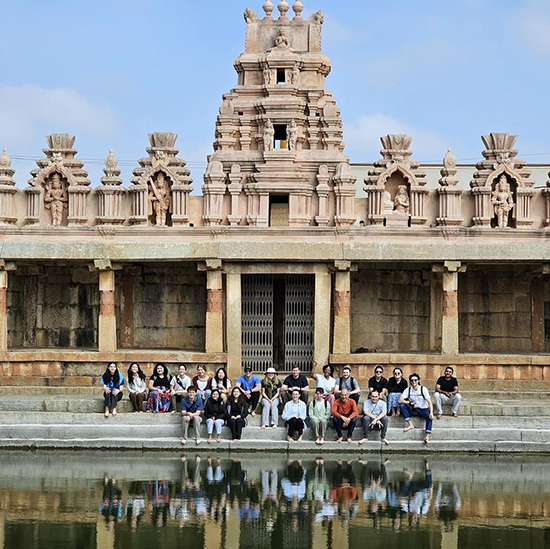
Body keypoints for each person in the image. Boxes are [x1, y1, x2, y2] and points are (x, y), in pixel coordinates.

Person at [399, 373, 434, 444]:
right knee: (402, 405)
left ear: (418, 380)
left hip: (423, 409)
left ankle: (427, 436)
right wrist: (409, 403)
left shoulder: (423, 389)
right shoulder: (408, 390)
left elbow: (429, 402)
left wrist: (431, 413)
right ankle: (410, 424)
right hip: (413, 409)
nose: (413, 382)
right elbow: (400, 400)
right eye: (412, 380)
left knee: (429, 417)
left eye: (415, 380)